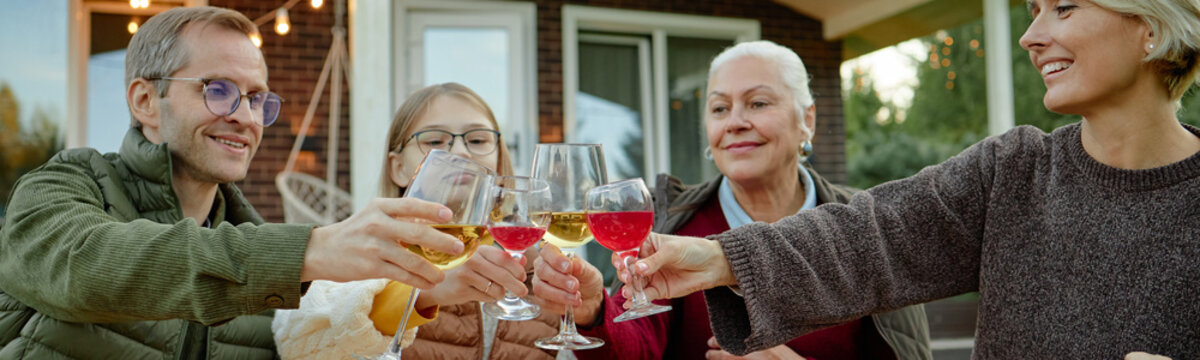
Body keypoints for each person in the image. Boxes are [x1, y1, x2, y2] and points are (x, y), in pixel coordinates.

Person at [614, 1, 1200, 359]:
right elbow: (869, 236)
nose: (1030, 36)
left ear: (1149, 26)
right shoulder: (1012, 171)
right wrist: (720, 258)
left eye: (1064, 7)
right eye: (1032, 11)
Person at [0, 7, 464, 359]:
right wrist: (311, 250)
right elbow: (86, 268)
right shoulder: (62, 187)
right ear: (145, 101)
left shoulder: (261, 250)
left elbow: (318, 342)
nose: (246, 118)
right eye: (218, 90)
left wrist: (424, 289)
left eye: (257, 99)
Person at [532, 40, 932, 360]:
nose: (735, 122)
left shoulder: (864, 226)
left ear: (806, 120)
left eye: (758, 103)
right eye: (720, 108)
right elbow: (636, 347)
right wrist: (595, 311)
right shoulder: (676, 223)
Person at [272, 82, 560, 359]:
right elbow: (294, 343)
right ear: (398, 168)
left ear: (499, 160)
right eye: (434, 141)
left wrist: (585, 316)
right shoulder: (362, 246)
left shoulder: (536, 267)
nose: (461, 152)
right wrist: (423, 294)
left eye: (477, 140)